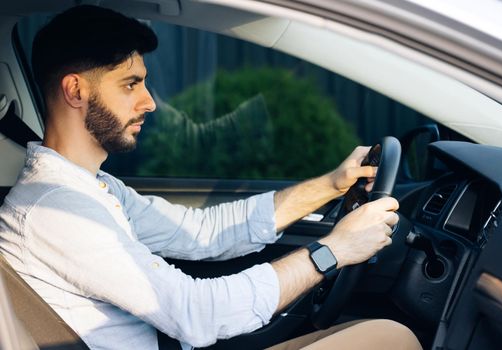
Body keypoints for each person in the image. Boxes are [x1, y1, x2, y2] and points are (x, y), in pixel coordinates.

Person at [0, 5, 421, 350]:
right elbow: (194, 312)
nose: (149, 102)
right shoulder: (55, 208)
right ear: (76, 91)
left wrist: (330, 185)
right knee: (390, 338)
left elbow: (204, 232)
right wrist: (333, 251)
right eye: (131, 84)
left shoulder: (95, 187)